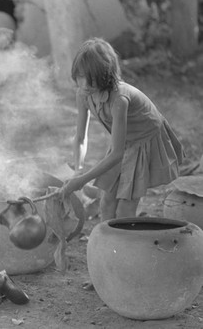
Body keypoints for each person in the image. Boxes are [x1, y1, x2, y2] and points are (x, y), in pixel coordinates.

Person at [59, 37, 184, 221]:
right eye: (79, 76)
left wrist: (82, 180)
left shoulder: (119, 100)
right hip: (124, 141)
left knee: (126, 207)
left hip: (145, 140)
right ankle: (105, 244)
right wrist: (78, 169)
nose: (83, 84)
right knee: (107, 200)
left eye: (89, 80)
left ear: (104, 77)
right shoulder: (83, 94)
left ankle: (124, 245)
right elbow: (80, 137)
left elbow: (117, 153)